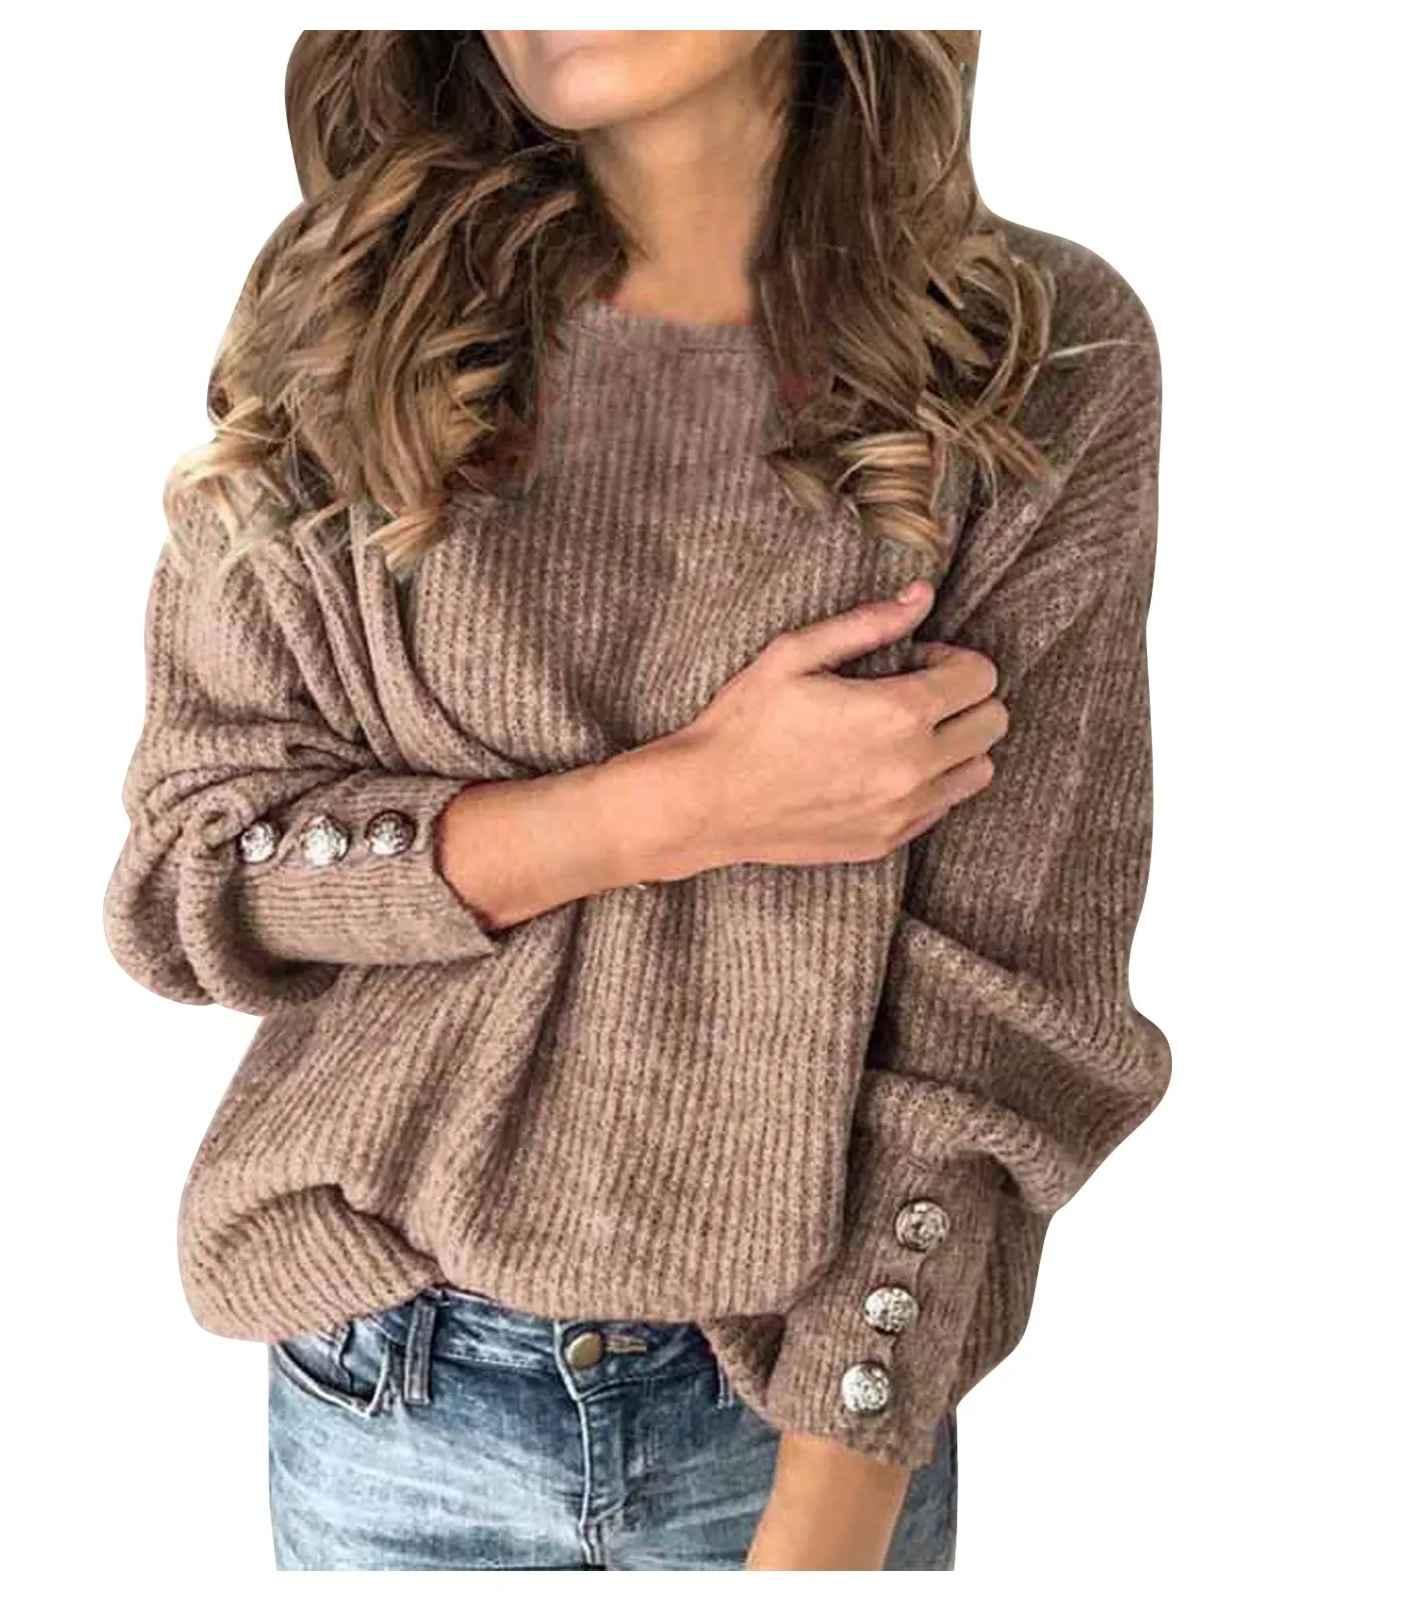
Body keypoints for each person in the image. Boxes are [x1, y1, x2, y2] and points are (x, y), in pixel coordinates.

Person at [102, 29, 1170, 1571]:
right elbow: (191, 876)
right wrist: (680, 806)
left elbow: (1002, 1012)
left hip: (791, 1409)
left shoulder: (1036, 357)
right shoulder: (355, 312)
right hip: (390, 1389)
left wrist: (833, 1494)